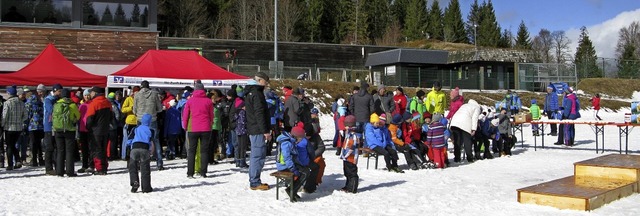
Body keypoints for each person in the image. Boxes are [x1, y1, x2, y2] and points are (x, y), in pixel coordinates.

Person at [246, 72, 272, 190]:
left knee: (256, 155)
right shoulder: (257, 93)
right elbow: (259, 113)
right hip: (257, 129)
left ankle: (254, 179)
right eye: (265, 82)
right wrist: (265, 130)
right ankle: (255, 181)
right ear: (260, 80)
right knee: (258, 155)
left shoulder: (251, 92)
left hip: (254, 128)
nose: (266, 85)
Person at [182, 83, 214, 178]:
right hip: (206, 128)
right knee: (204, 151)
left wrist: (185, 126)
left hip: (193, 128)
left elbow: (185, 115)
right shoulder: (208, 101)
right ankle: (203, 172)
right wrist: (210, 124)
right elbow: (211, 115)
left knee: (191, 151)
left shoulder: (190, 101)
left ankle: (190, 173)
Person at [133, 81, 164, 170]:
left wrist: (139, 113)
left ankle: (139, 162)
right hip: (152, 119)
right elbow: (160, 108)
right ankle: (159, 163)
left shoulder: (137, 95)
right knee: (156, 141)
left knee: (140, 140)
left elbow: (134, 110)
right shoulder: (154, 94)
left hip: (140, 120)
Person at [275, 125, 309, 201]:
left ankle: (292, 190)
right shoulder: (286, 143)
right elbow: (287, 158)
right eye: (300, 138)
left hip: (288, 165)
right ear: (296, 136)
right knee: (305, 173)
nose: (300, 141)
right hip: (284, 166)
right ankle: (291, 191)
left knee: (306, 170)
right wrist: (293, 169)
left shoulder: (290, 141)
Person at [85, 87, 114, 175]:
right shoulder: (108, 102)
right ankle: (104, 167)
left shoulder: (94, 103)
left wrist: (88, 128)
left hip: (95, 131)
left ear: (95, 93)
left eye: (91, 92)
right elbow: (111, 117)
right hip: (105, 130)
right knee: (104, 149)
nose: (90, 94)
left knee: (97, 149)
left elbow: (89, 119)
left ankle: (100, 168)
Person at [52, 88, 80, 177]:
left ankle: (59, 171)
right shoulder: (72, 105)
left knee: (60, 151)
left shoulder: (57, 104)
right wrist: (73, 120)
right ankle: (69, 171)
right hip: (69, 130)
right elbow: (78, 116)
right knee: (69, 151)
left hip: (58, 130)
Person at [2, 86, 27, 170]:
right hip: (18, 128)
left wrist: (2, 124)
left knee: (9, 146)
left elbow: (5, 116)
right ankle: (18, 160)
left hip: (9, 128)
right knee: (12, 145)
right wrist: (20, 120)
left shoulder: (7, 103)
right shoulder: (21, 103)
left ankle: (10, 164)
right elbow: (26, 116)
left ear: (9, 93)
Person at [128, 114, 154, 193]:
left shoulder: (135, 128)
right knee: (145, 169)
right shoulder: (151, 130)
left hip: (135, 148)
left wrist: (130, 146)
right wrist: (151, 151)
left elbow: (129, 140)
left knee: (133, 167)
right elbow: (151, 142)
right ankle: (146, 188)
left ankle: (134, 182)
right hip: (145, 149)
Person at [43, 84, 63, 175]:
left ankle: (58, 167)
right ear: (55, 90)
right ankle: (49, 168)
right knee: (49, 148)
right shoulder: (48, 99)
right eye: (59, 91)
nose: (60, 93)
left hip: (57, 126)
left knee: (57, 147)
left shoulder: (57, 99)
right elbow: (51, 110)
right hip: (49, 126)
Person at [339, 115, 359, 193]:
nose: (345, 127)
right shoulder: (348, 133)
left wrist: (346, 155)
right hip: (346, 157)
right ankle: (348, 186)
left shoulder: (353, 135)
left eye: (347, 125)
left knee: (352, 173)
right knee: (347, 172)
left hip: (351, 157)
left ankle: (353, 188)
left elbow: (352, 147)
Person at [25, 85, 45, 167]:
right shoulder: (40, 102)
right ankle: (40, 159)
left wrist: (26, 123)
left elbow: (27, 114)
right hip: (40, 125)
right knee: (38, 143)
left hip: (32, 126)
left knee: (33, 143)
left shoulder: (29, 102)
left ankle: (34, 160)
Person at [120, 86, 139, 160]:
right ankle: (124, 155)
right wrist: (130, 108)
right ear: (133, 92)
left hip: (137, 122)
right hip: (129, 122)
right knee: (127, 139)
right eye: (136, 92)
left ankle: (133, 155)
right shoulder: (128, 99)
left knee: (135, 140)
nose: (136, 94)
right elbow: (123, 109)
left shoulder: (140, 100)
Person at [78, 89, 94, 173]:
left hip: (90, 129)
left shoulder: (92, 104)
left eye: (88, 95)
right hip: (82, 129)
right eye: (85, 95)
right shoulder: (81, 105)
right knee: (84, 149)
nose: (87, 96)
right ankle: (84, 165)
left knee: (91, 148)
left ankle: (91, 165)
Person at [233, 99, 249, 168]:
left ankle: (238, 161)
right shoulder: (242, 112)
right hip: (243, 131)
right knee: (243, 147)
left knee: (239, 147)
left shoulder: (236, 112)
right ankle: (242, 162)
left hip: (238, 130)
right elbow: (243, 121)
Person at [107, 92, 121, 160]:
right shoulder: (114, 106)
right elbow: (117, 116)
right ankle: (112, 155)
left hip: (105, 127)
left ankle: (106, 154)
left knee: (106, 142)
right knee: (113, 142)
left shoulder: (105, 105)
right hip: (113, 127)